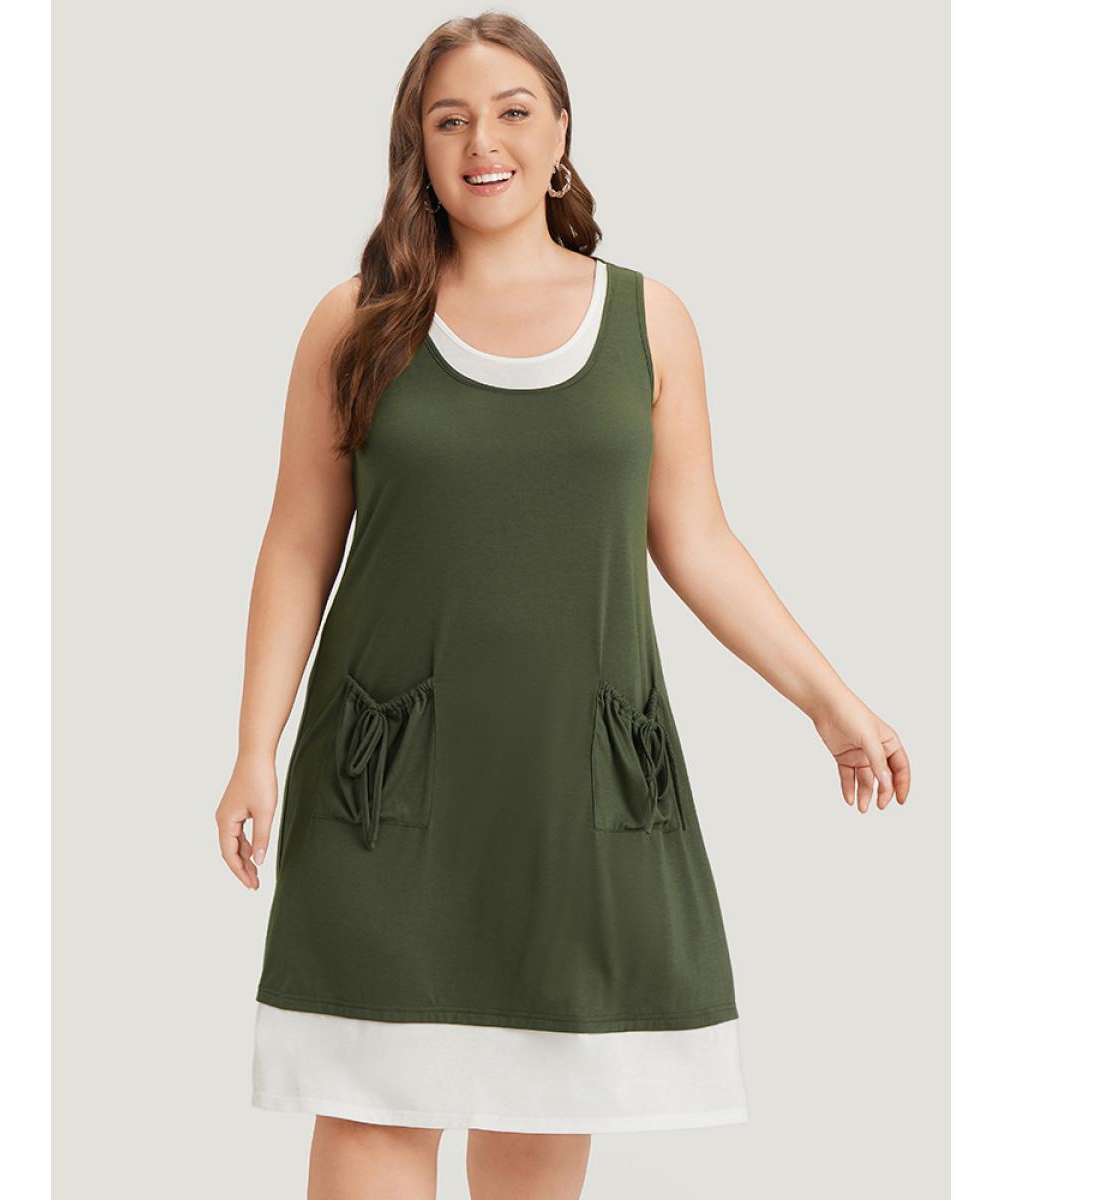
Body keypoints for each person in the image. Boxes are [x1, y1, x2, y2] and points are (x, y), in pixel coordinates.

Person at [215, 11, 912, 1199]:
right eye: (449, 120)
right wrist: (253, 750)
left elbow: (697, 540)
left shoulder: (648, 319)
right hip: (387, 784)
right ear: (418, 148)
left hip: (572, 785)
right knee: (374, 1103)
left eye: (512, 111)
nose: (482, 142)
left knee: (543, 1102)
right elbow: (295, 545)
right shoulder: (356, 321)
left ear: (561, 130)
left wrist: (830, 702)